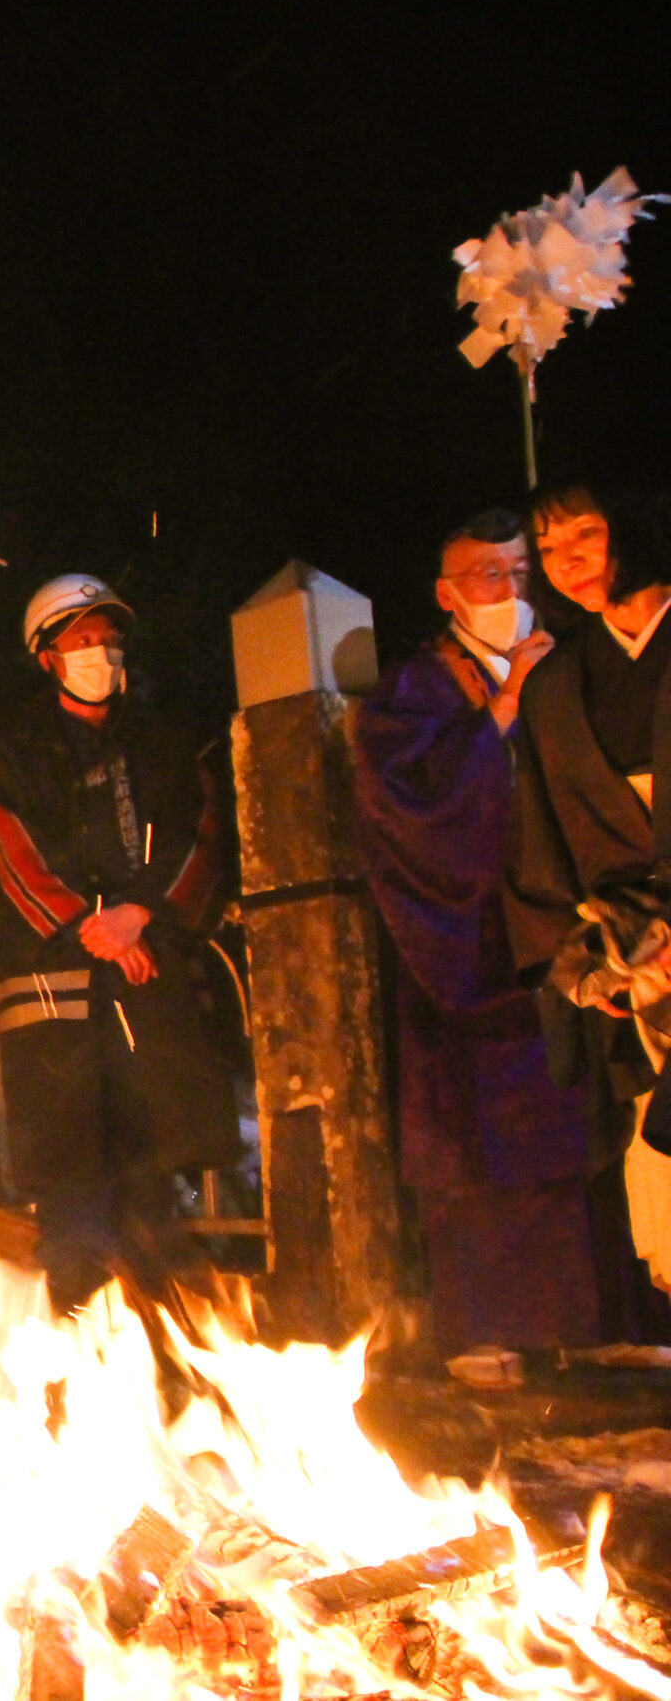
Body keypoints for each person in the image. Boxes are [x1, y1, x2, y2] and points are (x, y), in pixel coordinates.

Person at [350, 510, 598, 1387]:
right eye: (489, 575)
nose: (511, 590)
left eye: (521, 572)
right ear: (447, 592)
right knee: (475, 1145)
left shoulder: (573, 660)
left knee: (575, 1128)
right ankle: (485, 1329)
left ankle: (585, 1326)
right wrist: (500, 709)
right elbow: (401, 807)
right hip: (460, 940)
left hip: (562, 929)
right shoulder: (415, 688)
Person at [0, 573, 236, 1309]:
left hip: (149, 985)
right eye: (80, 641)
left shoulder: (165, 743)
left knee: (155, 1167)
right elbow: (14, 850)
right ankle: (77, 1342)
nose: (99, 653)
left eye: (109, 640)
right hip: (57, 994)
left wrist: (142, 913)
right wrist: (96, 923)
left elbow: (202, 836)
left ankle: (167, 1341)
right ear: (47, 656)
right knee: (73, 1180)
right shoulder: (12, 751)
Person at [504, 484, 671, 1346]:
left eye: (587, 534)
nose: (569, 562)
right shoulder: (556, 686)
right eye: (551, 545)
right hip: (637, 962)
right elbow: (541, 841)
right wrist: (583, 965)